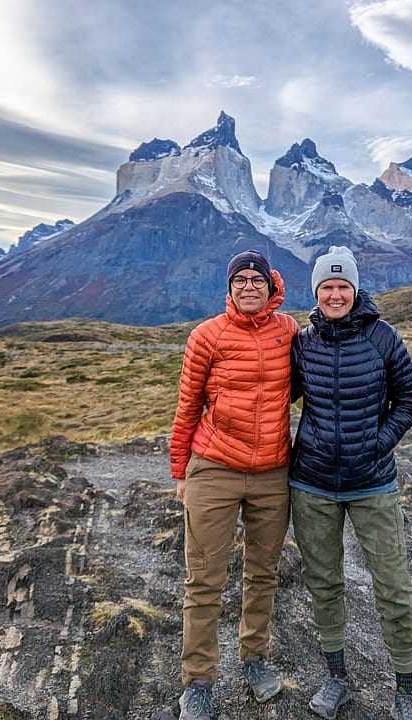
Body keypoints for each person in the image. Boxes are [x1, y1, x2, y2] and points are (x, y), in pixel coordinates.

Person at [290, 246, 412, 720]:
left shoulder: (383, 337)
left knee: (393, 585)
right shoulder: (303, 341)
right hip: (311, 483)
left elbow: (410, 399)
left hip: (372, 483)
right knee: (324, 583)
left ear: (354, 290)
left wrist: (378, 443)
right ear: (316, 292)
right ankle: (336, 678)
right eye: (326, 287)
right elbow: (276, 393)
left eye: (341, 286)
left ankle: (407, 688)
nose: (334, 294)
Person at [168, 250, 299, 720]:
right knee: (204, 579)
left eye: (256, 280)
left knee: (263, 573)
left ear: (270, 285)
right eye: (239, 280)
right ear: (229, 287)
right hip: (215, 467)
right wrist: (181, 471)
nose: (248, 286)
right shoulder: (206, 336)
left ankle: (254, 659)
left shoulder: (289, 332)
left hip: (272, 473)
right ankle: (198, 681)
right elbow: (187, 407)